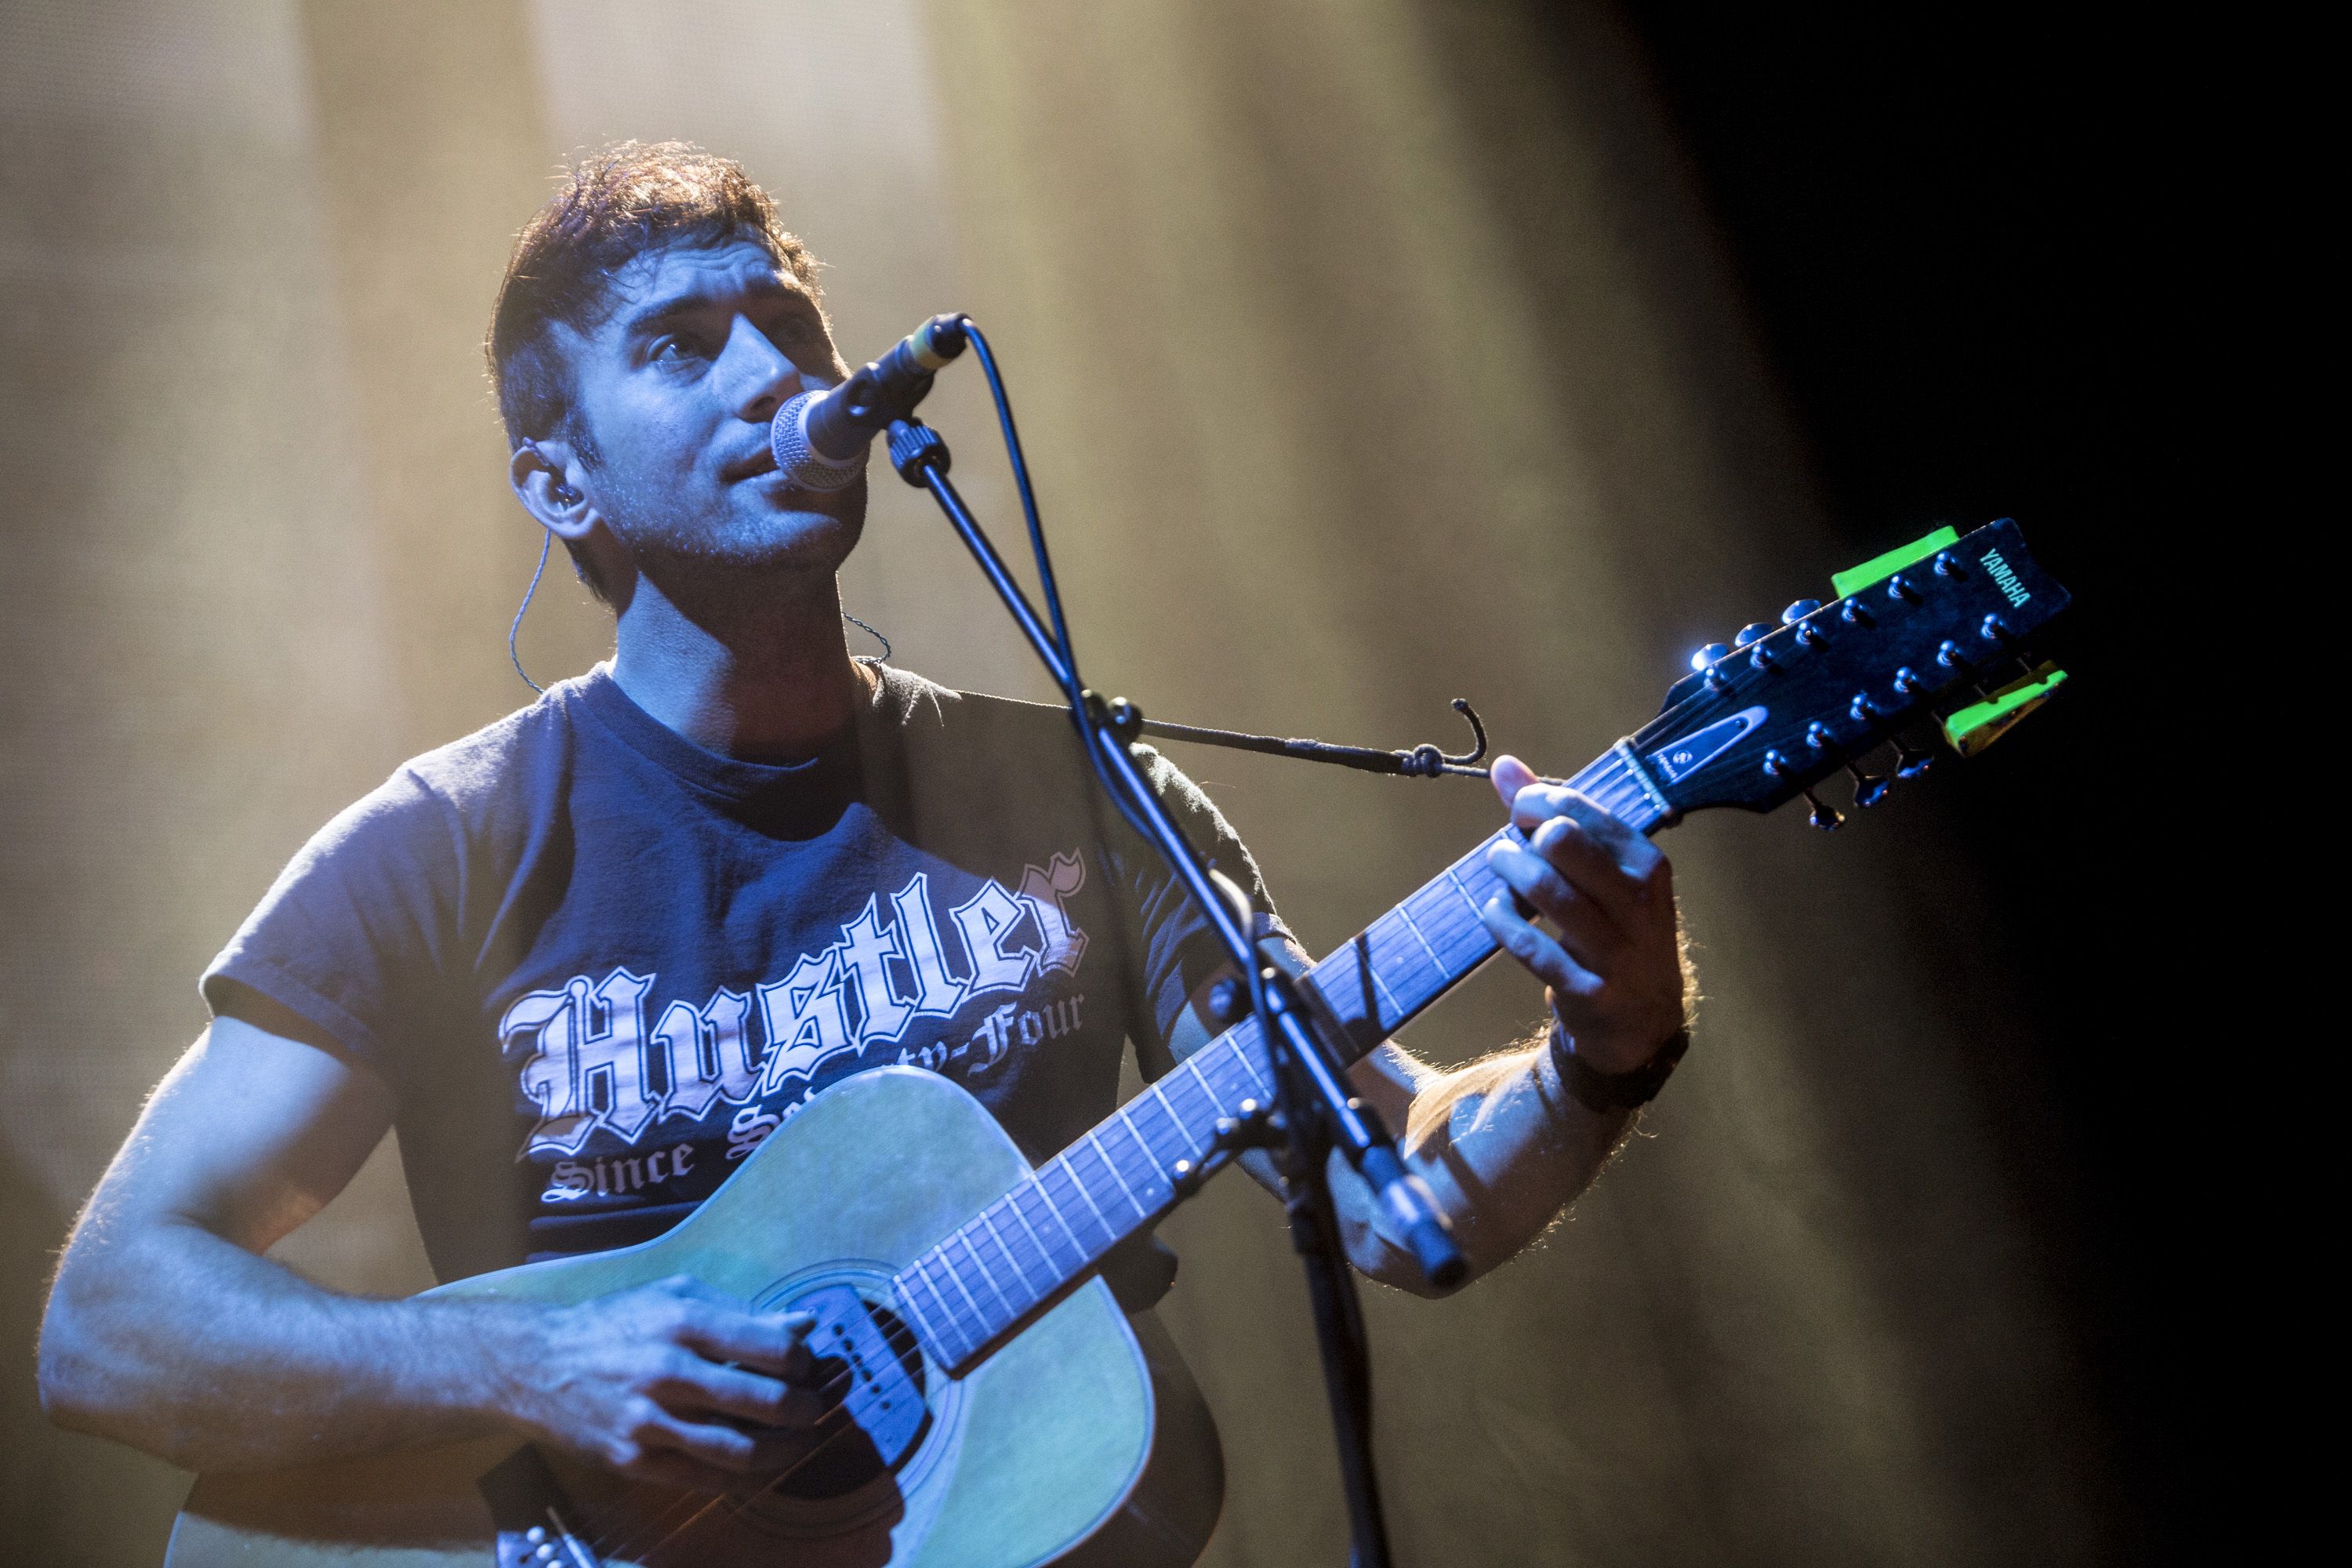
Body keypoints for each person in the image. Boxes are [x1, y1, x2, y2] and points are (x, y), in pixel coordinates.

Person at [37, 143, 1692, 1508]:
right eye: (685, 347)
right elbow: (109, 1327)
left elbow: (1403, 1205)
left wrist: (1602, 1048)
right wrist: (529, 1361)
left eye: (790, 322)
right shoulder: (436, 854)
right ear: (561, 484)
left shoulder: (1076, 798)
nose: (775, 374)